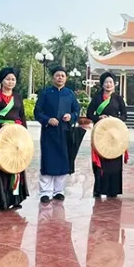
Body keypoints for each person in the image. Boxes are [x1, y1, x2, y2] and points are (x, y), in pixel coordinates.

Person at [34, 66, 81, 203]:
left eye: (62, 75)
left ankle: (59, 191)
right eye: (57, 75)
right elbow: (37, 112)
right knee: (48, 161)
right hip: (49, 132)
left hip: (65, 132)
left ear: (66, 78)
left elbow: (77, 111)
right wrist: (47, 120)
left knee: (63, 161)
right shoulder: (45, 93)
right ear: (53, 78)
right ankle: (45, 192)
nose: (60, 77)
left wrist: (70, 116)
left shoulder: (70, 94)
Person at [0, 67, 29, 211]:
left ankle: (16, 197)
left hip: (16, 136)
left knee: (16, 165)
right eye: (8, 79)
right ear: (1, 80)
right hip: (0, 137)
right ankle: (3, 200)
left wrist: (25, 134)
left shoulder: (18, 97)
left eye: (13, 79)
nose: (10, 82)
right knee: (1, 166)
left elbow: (22, 116)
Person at [86, 71, 129, 198]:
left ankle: (113, 190)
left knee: (114, 161)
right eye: (106, 82)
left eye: (110, 82)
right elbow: (89, 114)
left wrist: (115, 119)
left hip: (115, 135)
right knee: (100, 161)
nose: (108, 84)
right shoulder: (97, 98)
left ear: (114, 84)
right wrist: (98, 117)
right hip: (100, 134)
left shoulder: (118, 98)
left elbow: (124, 115)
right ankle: (99, 189)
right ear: (102, 84)